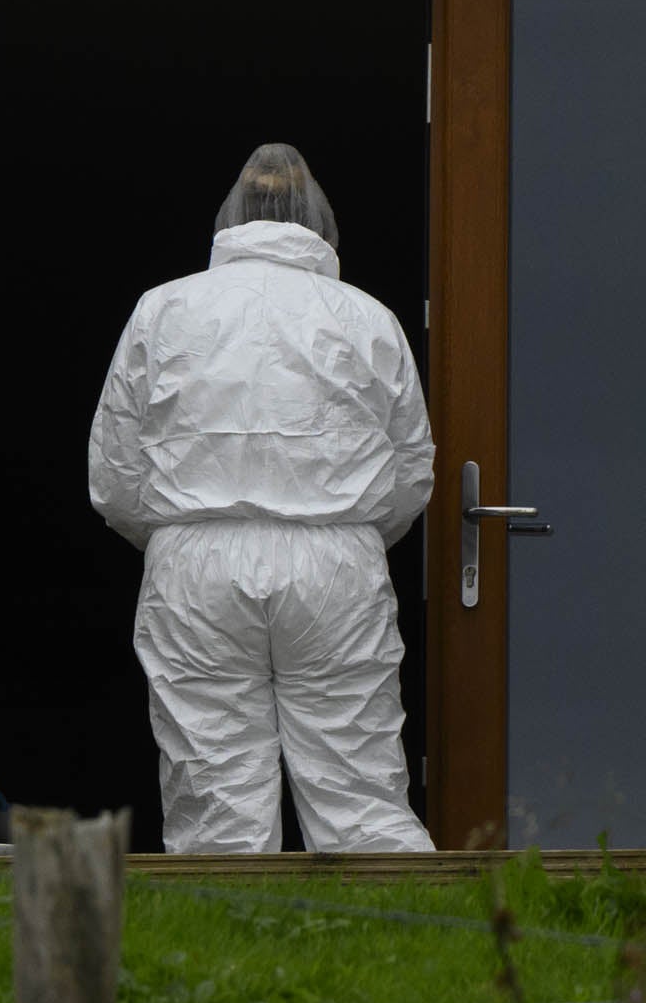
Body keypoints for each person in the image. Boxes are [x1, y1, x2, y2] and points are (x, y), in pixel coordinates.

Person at [84, 143, 438, 855]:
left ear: (230, 218)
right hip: (336, 561)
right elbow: (411, 471)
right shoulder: (368, 317)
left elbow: (115, 472)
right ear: (322, 223)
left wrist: (175, 536)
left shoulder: (163, 308)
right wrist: (351, 533)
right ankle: (405, 951)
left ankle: (225, 956)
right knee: (360, 790)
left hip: (196, 565)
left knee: (214, 798)